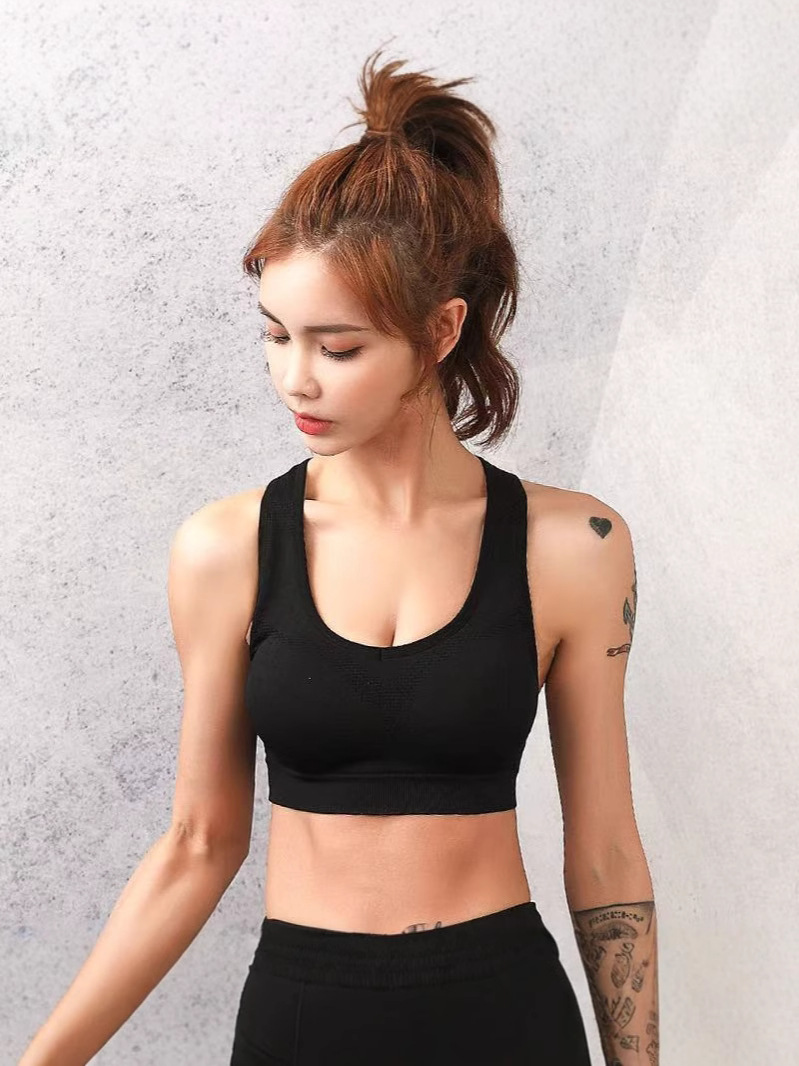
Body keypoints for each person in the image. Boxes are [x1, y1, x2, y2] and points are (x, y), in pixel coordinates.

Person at [18, 47, 658, 1066]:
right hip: (304, 1020)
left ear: (440, 330)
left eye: (339, 346)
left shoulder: (574, 548)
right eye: (275, 335)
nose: (295, 379)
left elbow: (607, 851)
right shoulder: (226, 549)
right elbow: (198, 844)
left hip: (507, 1018)